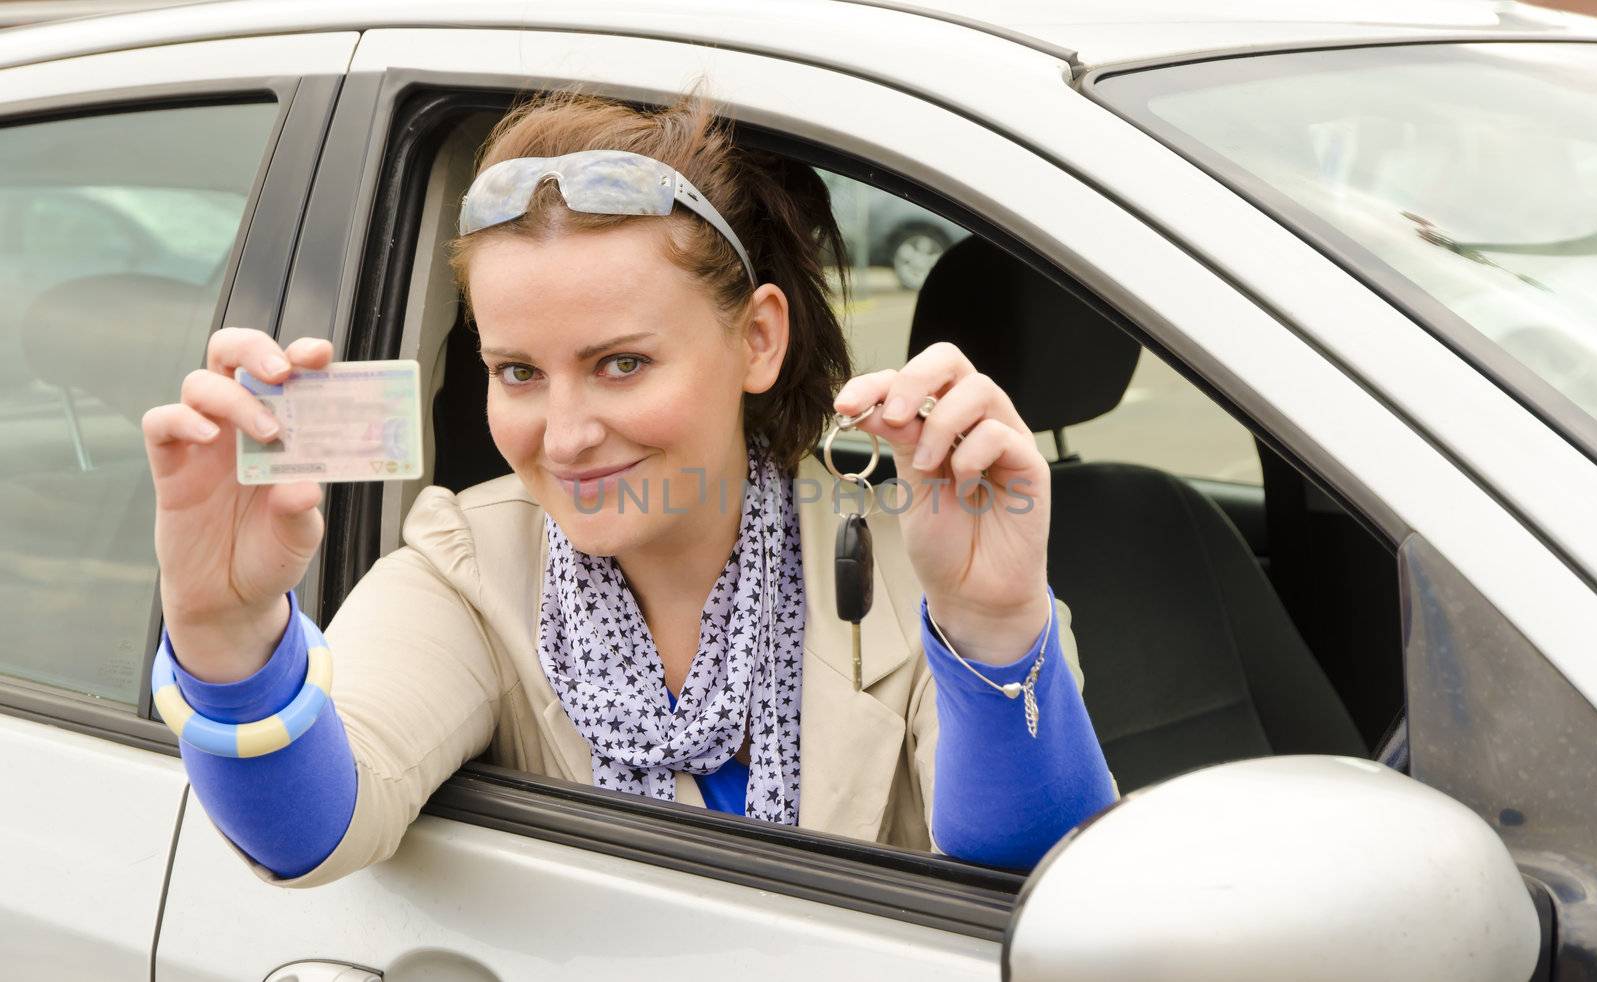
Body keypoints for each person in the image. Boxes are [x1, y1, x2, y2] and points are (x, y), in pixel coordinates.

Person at [140, 88, 1116, 888]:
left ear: (757, 338)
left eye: (619, 364)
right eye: (518, 371)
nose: (563, 437)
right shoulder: (469, 563)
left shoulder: (916, 563)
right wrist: (223, 635)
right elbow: (311, 826)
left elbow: (1043, 892)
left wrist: (990, 626)